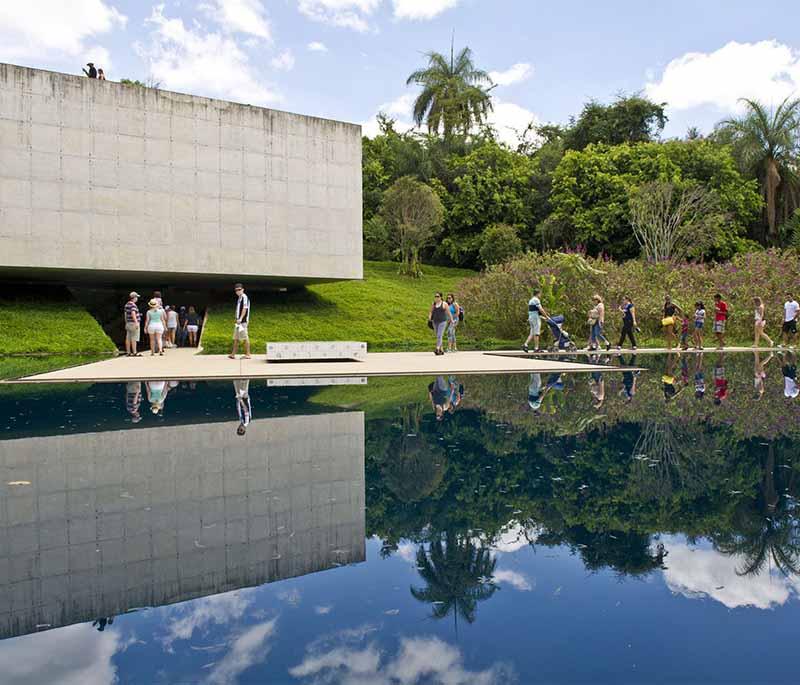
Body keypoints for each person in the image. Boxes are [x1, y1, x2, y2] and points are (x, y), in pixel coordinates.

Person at [523, 289, 550, 353]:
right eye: (540, 294)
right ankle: (536, 348)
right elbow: (541, 310)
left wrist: (543, 317)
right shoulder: (536, 300)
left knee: (532, 333)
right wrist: (546, 316)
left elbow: (534, 311)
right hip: (535, 318)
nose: (540, 295)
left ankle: (525, 344)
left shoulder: (531, 300)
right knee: (537, 333)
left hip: (531, 318)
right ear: (538, 293)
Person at [229, 283, 251, 359]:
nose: (238, 291)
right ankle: (233, 354)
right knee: (236, 338)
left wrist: (241, 318)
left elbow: (245, 309)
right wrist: (236, 318)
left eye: (239, 289)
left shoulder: (244, 297)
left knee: (245, 337)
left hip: (242, 322)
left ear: (242, 290)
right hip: (238, 322)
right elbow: (238, 310)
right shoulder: (239, 298)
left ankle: (248, 354)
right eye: (236, 290)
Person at [428, 292, 452, 356]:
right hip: (435, 322)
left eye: (438, 296)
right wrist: (429, 318)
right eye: (435, 296)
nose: (436, 297)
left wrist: (451, 320)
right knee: (438, 336)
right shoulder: (434, 303)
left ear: (441, 297)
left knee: (439, 335)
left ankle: (437, 348)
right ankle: (441, 350)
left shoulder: (444, 304)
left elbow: (448, 312)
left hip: (443, 321)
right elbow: (431, 311)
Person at [124, 291, 142, 357]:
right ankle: (134, 352)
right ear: (134, 298)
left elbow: (125, 314)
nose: (137, 298)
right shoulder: (133, 305)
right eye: (136, 297)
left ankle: (128, 352)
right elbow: (133, 313)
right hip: (133, 323)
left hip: (128, 323)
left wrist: (126, 322)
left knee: (128, 338)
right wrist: (136, 322)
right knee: (134, 338)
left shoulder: (127, 304)